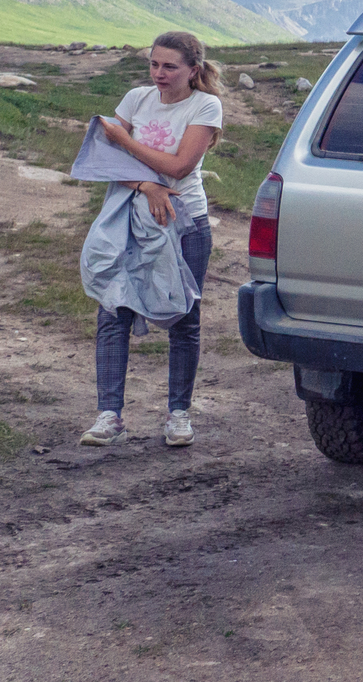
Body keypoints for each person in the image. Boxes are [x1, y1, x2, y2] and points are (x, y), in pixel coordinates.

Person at [79, 31, 224, 448]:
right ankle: (109, 416)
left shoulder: (205, 105)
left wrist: (125, 141)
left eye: (170, 66)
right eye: (154, 64)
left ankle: (178, 414)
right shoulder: (136, 98)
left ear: (192, 70)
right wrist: (147, 186)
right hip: (130, 218)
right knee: (113, 309)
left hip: (185, 222)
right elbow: (99, 159)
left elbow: (179, 167)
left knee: (184, 317)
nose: (159, 74)